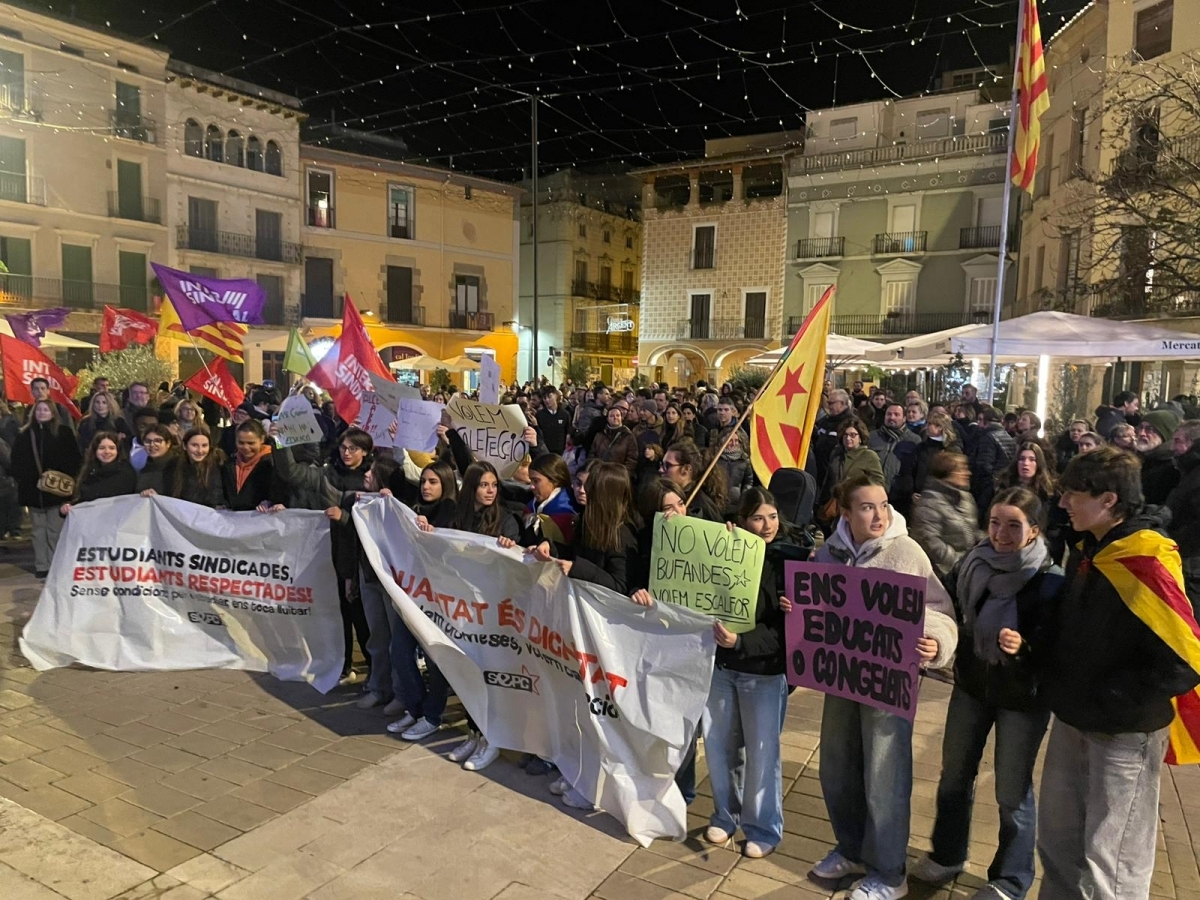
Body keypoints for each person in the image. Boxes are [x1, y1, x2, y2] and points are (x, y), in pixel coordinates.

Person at [1038, 447, 1200, 899]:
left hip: (1122, 732)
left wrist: (1111, 696)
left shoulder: (1144, 557)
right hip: (1075, 716)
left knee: (1112, 860)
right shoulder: (1092, 547)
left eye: (1073, 494)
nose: (1064, 502)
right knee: (1059, 842)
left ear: (1108, 499)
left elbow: (1185, 658)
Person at [808, 475, 957, 900]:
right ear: (847, 512)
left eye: (884, 505)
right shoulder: (828, 554)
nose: (879, 514)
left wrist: (936, 640)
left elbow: (939, 610)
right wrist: (798, 607)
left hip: (887, 684)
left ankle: (890, 872)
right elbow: (817, 604)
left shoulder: (907, 552)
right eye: (868, 506)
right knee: (837, 767)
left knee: (884, 775)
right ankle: (851, 849)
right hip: (839, 678)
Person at [910, 487, 1060, 900]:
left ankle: (1010, 880)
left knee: (1012, 792)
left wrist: (1023, 648)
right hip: (973, 685)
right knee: (955, 774)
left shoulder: (1048, 581)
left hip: (1022, 698)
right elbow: (951, 616)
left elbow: (1056, 649)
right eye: (995, 522)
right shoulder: (972, 564)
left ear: (1034, 532)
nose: (1002, 533)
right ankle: (947, 855)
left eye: (1015, 525)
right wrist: (938, 642)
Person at [692, 487, 792, 858]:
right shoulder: (723, 552)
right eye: (758, 517)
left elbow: (783, 634)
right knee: (719, 747)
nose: (767, 526)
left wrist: (742, 642)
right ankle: (724, 815)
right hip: (721, 668)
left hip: (763, 673)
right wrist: (675, 523)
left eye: (773, 516)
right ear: (742, 520)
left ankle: (763, 827)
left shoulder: (788, 561)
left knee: (764, 755)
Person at [400, 461, 517, 771]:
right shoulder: (457, 517)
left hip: (492, 614)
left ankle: (492, 739)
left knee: (490, 676)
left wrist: (510, 546)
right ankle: (474, 732)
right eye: (484, 485)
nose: (490, 491)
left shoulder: (506, 520)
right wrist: (429, 533)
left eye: (494, 485)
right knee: (466, 673)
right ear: (472, 488)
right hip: (462, 612)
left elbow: (514, 561)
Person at [385, 461, 459, 728]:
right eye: (424, 481)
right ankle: (415, 709)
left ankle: (432, 715)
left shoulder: (452, 513)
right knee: (400, 652)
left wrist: (434, 536)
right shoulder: (413, 510)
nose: (426, 487)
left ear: (446, 484)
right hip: (412, 595)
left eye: (433, 482)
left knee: (434, 659)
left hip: (439, 601)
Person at [9, 399, 82, 576]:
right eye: (39, 409)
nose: (42, 412)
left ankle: (56, 564)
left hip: (57, 491)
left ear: (53, 413)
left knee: (55, 530)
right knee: (38, 531)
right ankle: (42, 565)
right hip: (33, 491)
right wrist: (26, 481)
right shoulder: (24, 434)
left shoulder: (63, 433)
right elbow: (16, 462)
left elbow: (74, 461)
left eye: (46, 410)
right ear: (33, 412)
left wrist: (67, 482)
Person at [324, 428, 374, 687]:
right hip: (338, 555)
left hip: (359, 561)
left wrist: (343, 517)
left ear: (365, 451)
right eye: (343, 447)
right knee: (342, 612)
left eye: (352, 448)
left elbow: (371, 526)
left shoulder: (370, 480)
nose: (346, 453)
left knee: (361, 618)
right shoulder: (331, 473)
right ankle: (344, 665)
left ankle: (374, 670)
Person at [909, 452, 980, 578]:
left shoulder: (966, 498)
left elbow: (971, 532)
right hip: (943, 575)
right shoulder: (928, 504)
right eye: (961, 469)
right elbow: (930, 543)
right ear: (946, 473)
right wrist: (960, 563)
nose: (968, 473)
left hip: (969, 568)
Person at [819, 419, 883, 530]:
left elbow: (879, 483)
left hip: (856, 508)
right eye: (845, 435)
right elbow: (828, 479)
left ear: (860, 437)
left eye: (853, 435)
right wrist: (821, 502)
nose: (848, 438)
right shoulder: (836, 453)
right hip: (834, 507)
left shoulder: (869, 456)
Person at [60, 432, 137, 516]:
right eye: (102, 448)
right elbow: (83, 500)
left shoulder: (126, 473)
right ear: (95, 450)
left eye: (112, 448)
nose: (107, 451)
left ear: (118, 451)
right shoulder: (88, 473)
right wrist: (67, 507)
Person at [1166, 420, 1200, 599]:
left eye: (1177, 441)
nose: (1172, 447)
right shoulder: (1189, 470)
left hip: (1192, 565)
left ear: (1193, 443)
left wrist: (1173, 539)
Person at [221, 419, 284, 511]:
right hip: (232, 520)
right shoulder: (229, 463)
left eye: (251, 443)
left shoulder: (272, 462)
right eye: (241, 443)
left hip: (260, 519)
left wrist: (270, 501)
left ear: (262, 439)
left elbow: (279, 491)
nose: (246, 447)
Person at [968, 407, 1017, 524]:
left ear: (986, 421)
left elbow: (984, 465)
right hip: (1002, 484)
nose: (978, 423)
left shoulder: (988, 437)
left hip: (988, 487)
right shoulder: (1008, 437)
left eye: (980, 420)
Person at [518, 453, 577, 546]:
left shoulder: (566, 513)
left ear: (555, 480)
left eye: (536, 481)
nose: (532, 487)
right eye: (531, 480)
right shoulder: (531, 505)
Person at [659, 440, 726, 522]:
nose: (661, 470)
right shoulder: (664, 494)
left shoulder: (703, 505)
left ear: (686, 469)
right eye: (662, 464)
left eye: (667, 465)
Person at [870, 404, 920, 494]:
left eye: (896, 414)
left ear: (904, 418)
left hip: (900, 494)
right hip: (873, 490)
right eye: (889, 414)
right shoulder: (872, 436)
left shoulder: (914, 440)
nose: (892, 417)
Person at [1135, 408, 1182, 505]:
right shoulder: (1140, 459)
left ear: (1165, 433)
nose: (1142, 433)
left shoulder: (1172, 468)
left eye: (1150, 429)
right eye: (1141, 427)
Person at [172, 430, 226, 508]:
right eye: (194, 445)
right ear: (184, 446)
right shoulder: (177, 465)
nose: (200, 451)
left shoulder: (218, 465)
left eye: (204, 445)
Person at [589, 402, 638, 475]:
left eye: (618, 415)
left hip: (618, 476)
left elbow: (632, 459)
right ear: (607, 419)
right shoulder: (600, 435)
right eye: (612, 416)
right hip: (600, 474)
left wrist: (623, 474)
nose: (615, 418)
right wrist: (595, 469)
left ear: (622, 418)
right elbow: (592, 454)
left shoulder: (628, 436)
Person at [716, 429, 754, 513]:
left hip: (736, 503)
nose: (734, 443)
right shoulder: (714, 458)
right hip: (716, 502)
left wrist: (744, 498)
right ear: (722, 441)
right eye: (730, 440)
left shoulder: (744, 460)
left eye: (736, 440)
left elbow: (748, 481)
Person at [536, 388, 570, 455]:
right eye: (544, 398)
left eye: (549, 397)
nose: (547, 400)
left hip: (560, 452)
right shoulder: (539, 415)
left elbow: (568, 432)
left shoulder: (565, 414)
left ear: (556, 396)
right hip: (545, 452)